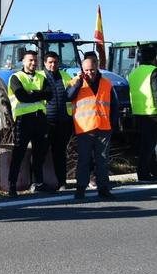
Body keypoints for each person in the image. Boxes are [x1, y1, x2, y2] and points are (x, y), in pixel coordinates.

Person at [66, 53, 119, 199]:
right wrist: (78, 82)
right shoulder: (75, 81)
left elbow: (114, 105)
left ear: (96, 67)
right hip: (84, 128)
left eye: (92, 69)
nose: (90, 73)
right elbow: (68, 96)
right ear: (82, 70)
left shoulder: (107, 83)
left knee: (102, 160)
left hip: (103, 127)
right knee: (84, 159)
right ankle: (80, 188)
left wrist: (113, 124)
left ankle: (103, 188)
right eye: (87, 70)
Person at [7, 50, 53, 196]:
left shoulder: (42, 76)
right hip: (23, 120)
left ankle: (37, 183)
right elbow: (21, 96)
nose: (33, 63)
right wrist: (37, 95)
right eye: (30, 60)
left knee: (39, 154)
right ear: (23, 61)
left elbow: (49, 94)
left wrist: (32, 93)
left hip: (40, 119)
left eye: (35, 60)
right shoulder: (15, 77)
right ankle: (12, 185)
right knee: (19, 153)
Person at [43, 51, 74, 189]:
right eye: (50, 62)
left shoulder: (66, 76)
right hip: (46, 122)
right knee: (41, 153)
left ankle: (62, 182)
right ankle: (37, 182)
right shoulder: (40, 77)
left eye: (55, 62)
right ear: (45, 63)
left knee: (60, 153)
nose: (53, 65)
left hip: (63, 121)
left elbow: (71, 95)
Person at [128, 46, 157, 182]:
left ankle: (152, 170)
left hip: (138, 113)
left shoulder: (134, 72)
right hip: (152, 113)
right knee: (149, 145)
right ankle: (143, 173)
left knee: (146, 144)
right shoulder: (153, 72)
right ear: (154, 58)